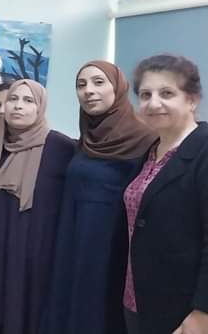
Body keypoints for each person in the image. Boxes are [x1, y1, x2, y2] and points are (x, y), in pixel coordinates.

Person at [42, 61, 156, 334]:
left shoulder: (146, 140)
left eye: (98, 82)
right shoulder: (87, 139)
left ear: (118, 88)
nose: (88, 91)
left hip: (111, 248)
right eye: (81, 85)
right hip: (73, 242)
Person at [0, 79, 76, 334]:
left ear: (40, 107)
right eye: (13, 99)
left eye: (28, 100)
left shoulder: (60, 147)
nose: (18, 106)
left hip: (37, 251)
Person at [123, 55, 208, 334]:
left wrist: (203, 313)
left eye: (167, 93)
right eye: (145, 95)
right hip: (137, 298)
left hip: (184, 308)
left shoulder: (203, 151)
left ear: (192, 100)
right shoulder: (149, 152)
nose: (153, 103)